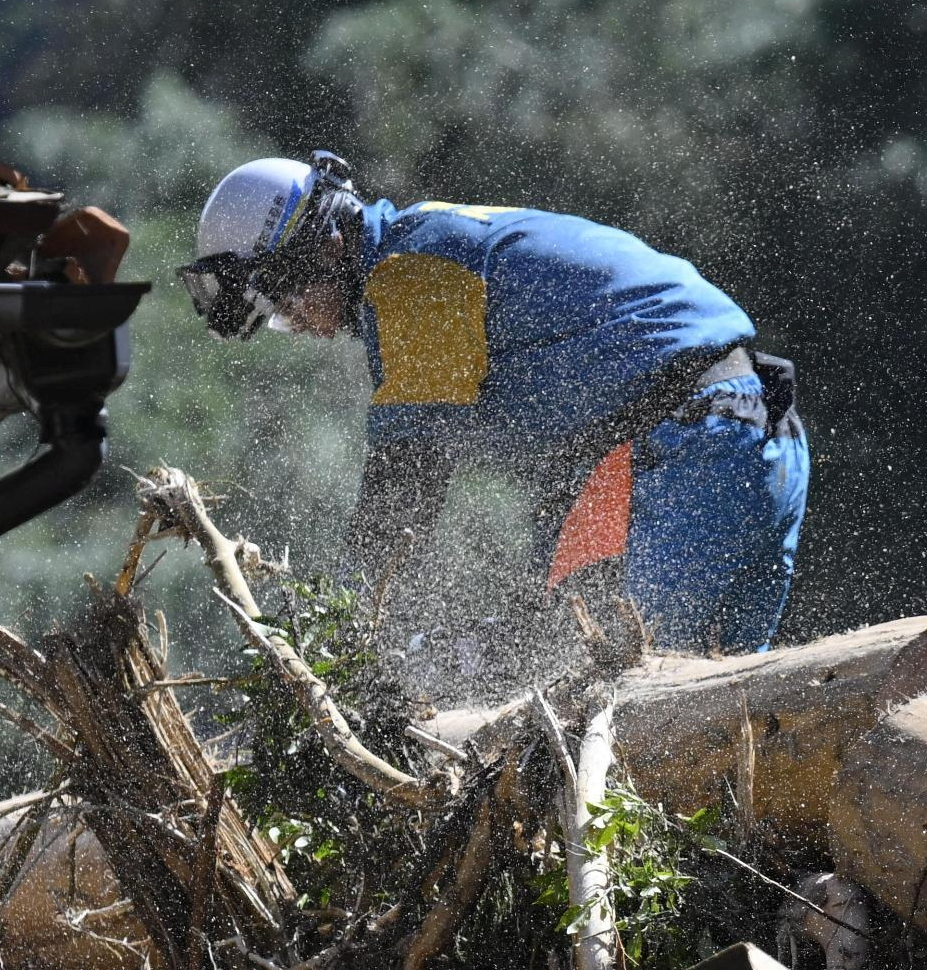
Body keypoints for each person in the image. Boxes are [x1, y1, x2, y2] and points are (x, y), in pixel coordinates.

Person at [179, 152, 810, 655]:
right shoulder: (427, 246)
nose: (304, 326)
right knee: (711, 713)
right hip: (739, 433)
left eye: (289, 304)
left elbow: (408, 482)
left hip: (699, 447)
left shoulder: (410, 272)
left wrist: (338, 639)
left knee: (640, 706)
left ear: (328, 245)